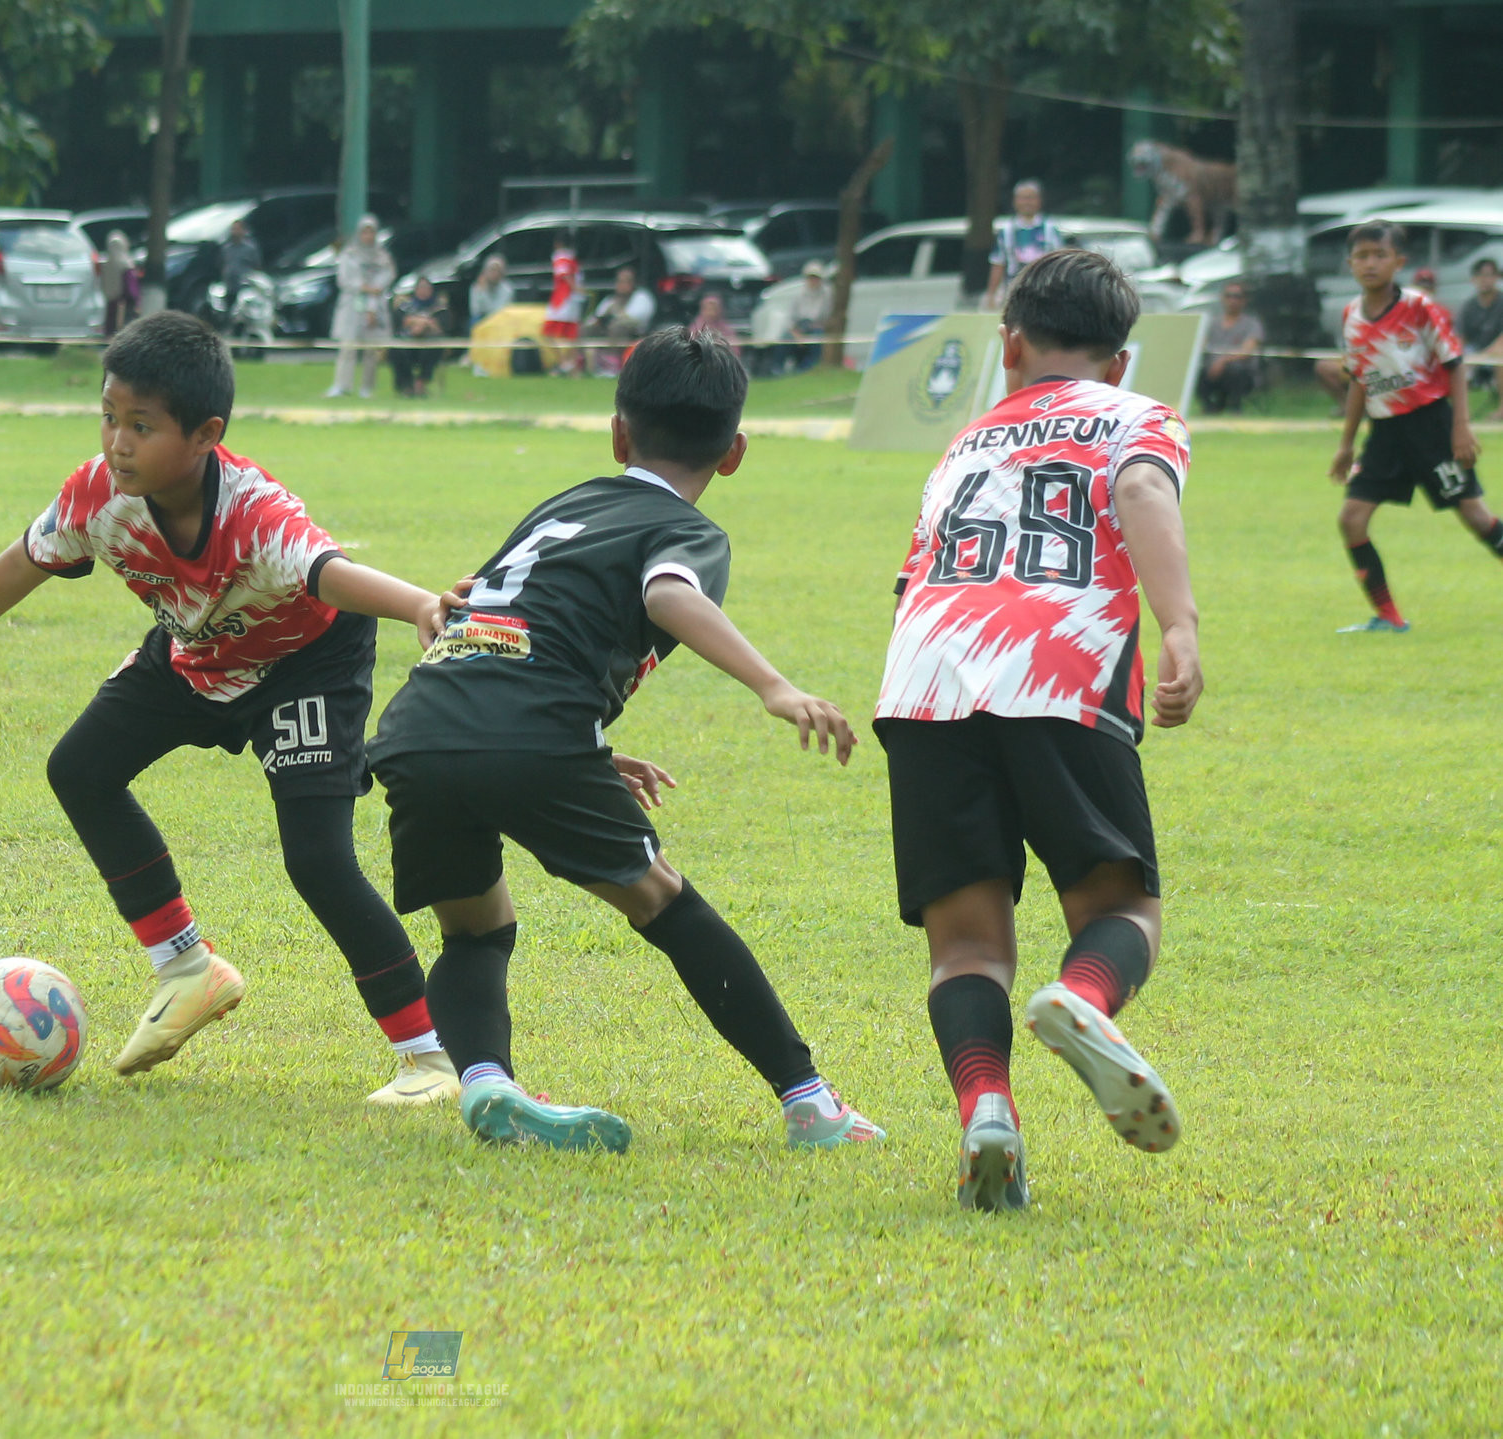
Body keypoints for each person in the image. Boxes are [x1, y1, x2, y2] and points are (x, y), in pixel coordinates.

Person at [0, 312, 460, 1105]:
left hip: (304, 664)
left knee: (317, 859)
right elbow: (28, 558)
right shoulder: (97, 496)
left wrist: (421, 603)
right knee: (80, 768)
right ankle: (186, 966)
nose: (118, 441)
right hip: (194, 655)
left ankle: (428, 1057)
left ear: (205, 434)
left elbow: (328, 571)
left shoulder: (255, 512)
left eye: (141, 426)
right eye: (109, 417)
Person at [365, 325, 886, 1154]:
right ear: (735, 452)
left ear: (617, 433)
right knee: (662, 899)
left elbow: (501, 614)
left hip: (421, 724)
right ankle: (809, 1102)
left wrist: (593, 747)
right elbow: (670, 593)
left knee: (474, 929)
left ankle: (487, 1082)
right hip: (528, 734)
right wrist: (773, 685)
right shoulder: (687, 532)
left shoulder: (565, 503)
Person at [876, 248, 1200, 1212]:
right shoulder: (1137, 416)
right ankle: (1085, 1002)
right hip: (1060, 669)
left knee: (966, 949)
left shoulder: (966, 441)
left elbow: (910, 579)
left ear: (1009, 344)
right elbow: (1141, 493)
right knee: (1119, 909)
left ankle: (988, 1111)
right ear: (1123, 359)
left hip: (926, 678)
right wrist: (1179, 624)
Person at [1328, 222, 1503, 632]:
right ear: (1351, 263)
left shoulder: (1420, 307)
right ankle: (1389, 617)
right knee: (1351, 519)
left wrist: (1461, 427)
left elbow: (1454, 366)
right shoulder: (1351, 316)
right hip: (1386, 434)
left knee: (1475, 516)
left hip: (1431, 426)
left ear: (1398, 262)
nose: (1370, 264)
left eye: (1380, 255)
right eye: (1362, 256)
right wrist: (1346, 443)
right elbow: (1359, 380)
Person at [326, 214, 392, 399]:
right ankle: (342, 385)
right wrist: (362, 287)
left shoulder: (382, 256)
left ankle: (367, 387)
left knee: (370, 349)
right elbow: (344, 279)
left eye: (371, 232)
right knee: (348, 346)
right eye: (365, 232)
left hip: (374, 305)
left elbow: (386, 276)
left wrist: (374, 290)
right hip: (352, 305)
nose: (368, 236)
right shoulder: (350, 254)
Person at [983, 180, 1065, 309]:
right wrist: (991, 295)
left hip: (1045, 292)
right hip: (1014, 291)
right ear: (1015, 201)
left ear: (1039, 201)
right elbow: (998, 264)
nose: (1027, 202)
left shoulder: (1050, 229)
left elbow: (1060, 262)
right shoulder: (1006, 231)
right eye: (1022, 198)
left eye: (1031, 198)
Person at [1196, 281, 1263, 414]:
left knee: (1235, 371)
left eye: (1237, 296)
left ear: (1244, 300)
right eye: (1228, 296)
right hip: (1212, 369)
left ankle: (1234, 407)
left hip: (1240, 371)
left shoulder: (1252, 324)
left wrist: (1222, 361)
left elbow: (1247, 351)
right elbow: (1200, 345)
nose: (1232, 300)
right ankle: (1209, 408)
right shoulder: (1212, 323)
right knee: (1199, 372)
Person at [587, 266, 654, 377]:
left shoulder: (642, 297)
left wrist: (615, 314)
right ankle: (588, 363)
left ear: (633, 283)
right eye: (619, 281)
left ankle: (613, 364)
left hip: (633, 334)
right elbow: (596, 317)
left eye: (625, 281)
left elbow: (635, 318)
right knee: (588, 328)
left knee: (618, 326)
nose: (621, 285)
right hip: (608, 331)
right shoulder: (610, 300)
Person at [389, 276, 449, 397]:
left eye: (426, 288)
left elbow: (441, 326)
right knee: (395, 349)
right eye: (420, 287)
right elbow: (401, 322)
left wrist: (421, 325)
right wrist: (421, 323)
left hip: (428, 345)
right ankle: (407, 385)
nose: (423, 290)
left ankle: (421, 382)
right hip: (408, 344)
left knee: (435, 347)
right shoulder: (405, 307)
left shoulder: (440, 308)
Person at [1457, 258, 1503, 413]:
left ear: (1497, 277)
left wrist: (1486, 355)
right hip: (1475, 353)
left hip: (1497, 354)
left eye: (1489, 275)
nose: (1485, 280)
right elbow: (1460, 338)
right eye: (1481, 275)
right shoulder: (1468, 306)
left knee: (1500, 363)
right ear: (1473, 279)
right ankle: (1461, 413)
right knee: (1458, 366)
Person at [542, 231, 583, 375]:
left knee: (547, 334)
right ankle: (572, 367)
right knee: (571, 337)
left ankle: (563, 363)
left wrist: (575, 288)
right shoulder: (574, 258)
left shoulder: (560, 257)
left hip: (562, 301)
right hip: (573, 301)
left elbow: (564, 275)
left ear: (557, 244)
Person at [781, 261, 829, 373]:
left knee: (817, 338)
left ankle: (809, 367)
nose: (813, 281)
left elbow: (826, 318)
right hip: (799, 328)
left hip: (816, 328)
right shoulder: (798, 295)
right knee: (784, 339)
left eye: (816, 278)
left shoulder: (827, 295)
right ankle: (778, 369)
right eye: (810, 278)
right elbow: (790, 318)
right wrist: (797, 334)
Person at [218, 219, 260, 336]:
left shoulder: (250, 248)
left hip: (245, 287)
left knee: (244, 315)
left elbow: (257, 266)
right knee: (229, 314)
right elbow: (222, 264)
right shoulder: (226, 248)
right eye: (233, 229)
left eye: (237, 229)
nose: (235, 232)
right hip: (230, 286)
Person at [99, 231, 139, 338]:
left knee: (111, 322)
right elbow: (131, 287)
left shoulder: (106, 264)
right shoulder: (127, 265)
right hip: (125, 302)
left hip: (111, 300)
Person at [686, 292, 740, 356]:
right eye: (708, 309)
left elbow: (735, 350)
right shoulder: (694, 328)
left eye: (714, 309)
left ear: (719, 310)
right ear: (702, 310)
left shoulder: (726, 329)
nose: (711, 313)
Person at [468, 255, 512, 329]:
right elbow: (475, 310)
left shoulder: (507, 288)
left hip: (500, 319)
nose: (495, 273)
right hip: (483, 319)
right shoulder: (477, 287)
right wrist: (482, 292)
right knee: (475, 320)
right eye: (492, 270)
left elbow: (501, 310)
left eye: (498, 270)